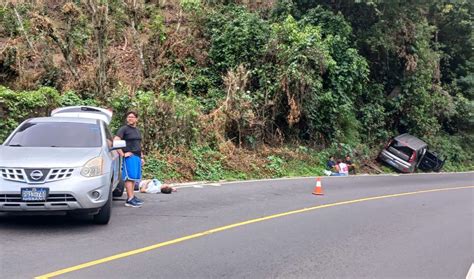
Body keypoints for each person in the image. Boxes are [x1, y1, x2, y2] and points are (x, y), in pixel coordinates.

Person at [114, 111, 145, 208]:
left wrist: (142, 157)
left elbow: (138, 144)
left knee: (134, 178)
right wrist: (122, 154)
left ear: (136, 119)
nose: (130, 119)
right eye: (128, 117)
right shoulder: (124, 129)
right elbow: (116, 141)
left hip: (137, 156)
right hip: (129, 156)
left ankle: (132, 197)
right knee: (129, 178)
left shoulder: (137, 130)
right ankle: (129, 199)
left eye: (132, 117)